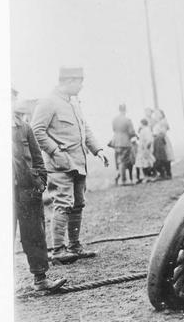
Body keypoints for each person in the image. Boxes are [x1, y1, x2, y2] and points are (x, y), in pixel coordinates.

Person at [31, 66, 109, 261]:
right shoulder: (48, 102)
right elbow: (37, 130)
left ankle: (74, 246)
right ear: (68, 81)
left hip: (78, 163)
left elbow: (85, 129)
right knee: (63, 204)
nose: (81, 86)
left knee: (78, 205)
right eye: (79, 82)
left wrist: (98, 150)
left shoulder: (73, 103)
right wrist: (55, 151)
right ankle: (58, 250)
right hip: (59, 165)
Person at [12, 88, 67, 291]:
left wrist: (40, 182)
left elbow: (37, 157)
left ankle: (41, 279)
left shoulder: (24, 127)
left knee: (34, 234)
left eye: (11, 98)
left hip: (27, 192)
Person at [110, 103, 137, 185]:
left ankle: (122, 179)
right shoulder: (128, 120)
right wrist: (134, 135)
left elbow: (114, 129)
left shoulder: (115, 119)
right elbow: (131, 132)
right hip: (125, 142)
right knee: (124, 161)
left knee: (119, 160)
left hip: (116, 141)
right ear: (125, 110)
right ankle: (124, 180)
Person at [152, 109, 174, 179]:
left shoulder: (163, 122)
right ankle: (164, 173)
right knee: (161, 157)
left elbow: (163, 132)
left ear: (161, 114)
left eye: (158, 114)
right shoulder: (157, 123)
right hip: (158, 140)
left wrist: (157, 136)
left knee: (166, 156)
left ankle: (168, 173)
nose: (156, 115)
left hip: (162, 140)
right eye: (156, 114)